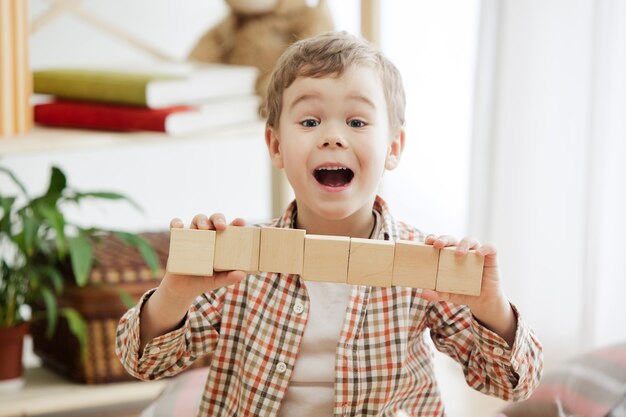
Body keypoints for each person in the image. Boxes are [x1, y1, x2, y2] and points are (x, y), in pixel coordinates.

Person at [116, 31, 543, 417]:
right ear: (276, 146)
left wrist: (494, 311)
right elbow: (144, 362)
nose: (332, 136)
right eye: (309, 121)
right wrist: (174, 293)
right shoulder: (239, 258)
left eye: (357, 122)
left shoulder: (423, 263)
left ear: (393, 147)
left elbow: (508, 382)